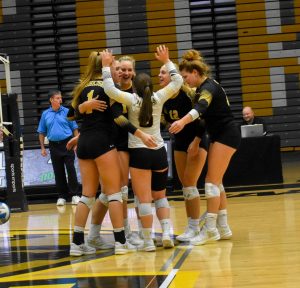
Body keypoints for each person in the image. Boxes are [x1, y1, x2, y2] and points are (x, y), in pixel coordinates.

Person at [101, 45, 183, 251]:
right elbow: (178, 81)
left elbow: (110, 90)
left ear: (135, 86)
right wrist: (167, 61)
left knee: (144, 200)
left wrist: (104, 66)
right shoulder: (159, 97)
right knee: (161, 196)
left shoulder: (131, 99)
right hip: (159, 152)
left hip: (139, 153)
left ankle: (147, 241)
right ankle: (166, 233)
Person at [169, 49, 241, 245]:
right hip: (221, 135)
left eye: (186, 77)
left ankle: (210, 229)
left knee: (210, 183)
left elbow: (200, 107)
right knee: (216, 183)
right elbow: (202, 116)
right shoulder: (203, 87)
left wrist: (182, 122)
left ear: (195, 72)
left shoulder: (207, 88)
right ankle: (223, 227)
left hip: (227, 134)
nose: (185, 81)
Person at [68, 51, 137, 256]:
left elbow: (70, 114)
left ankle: (77, 244)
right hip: (102, 141)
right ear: (105, 67)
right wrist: (140, 133)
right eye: (115, 66)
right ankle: (121, 242)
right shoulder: (110, 88)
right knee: (114, 193)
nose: (119, 70)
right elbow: (118, 118)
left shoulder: (83, 86)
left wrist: (83, 106)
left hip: (85, 142)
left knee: (87, 195)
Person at [159, 64, 208, 242]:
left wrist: (196, 141)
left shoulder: (188, 94)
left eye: (163, 72)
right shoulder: (162, 97)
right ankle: (192, 226)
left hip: (197, 139)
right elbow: (164, 121)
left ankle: (197, 228)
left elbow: (203, 120)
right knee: (185, 186)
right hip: (179, 143)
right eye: (159, 72)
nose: (159, 75)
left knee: (190, 184)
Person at [37, 90, 80, 206]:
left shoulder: (67, 111)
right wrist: (42, 148)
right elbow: (41, 132)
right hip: (53, 145)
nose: (60, 100)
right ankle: (62, 196)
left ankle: (75, 195)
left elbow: (75, 128)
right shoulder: (45, 114)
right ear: (51, 100)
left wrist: (76, 143)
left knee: (70, 169)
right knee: (58, 171)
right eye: (57, 98)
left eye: (61, 98)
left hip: (68, 143)